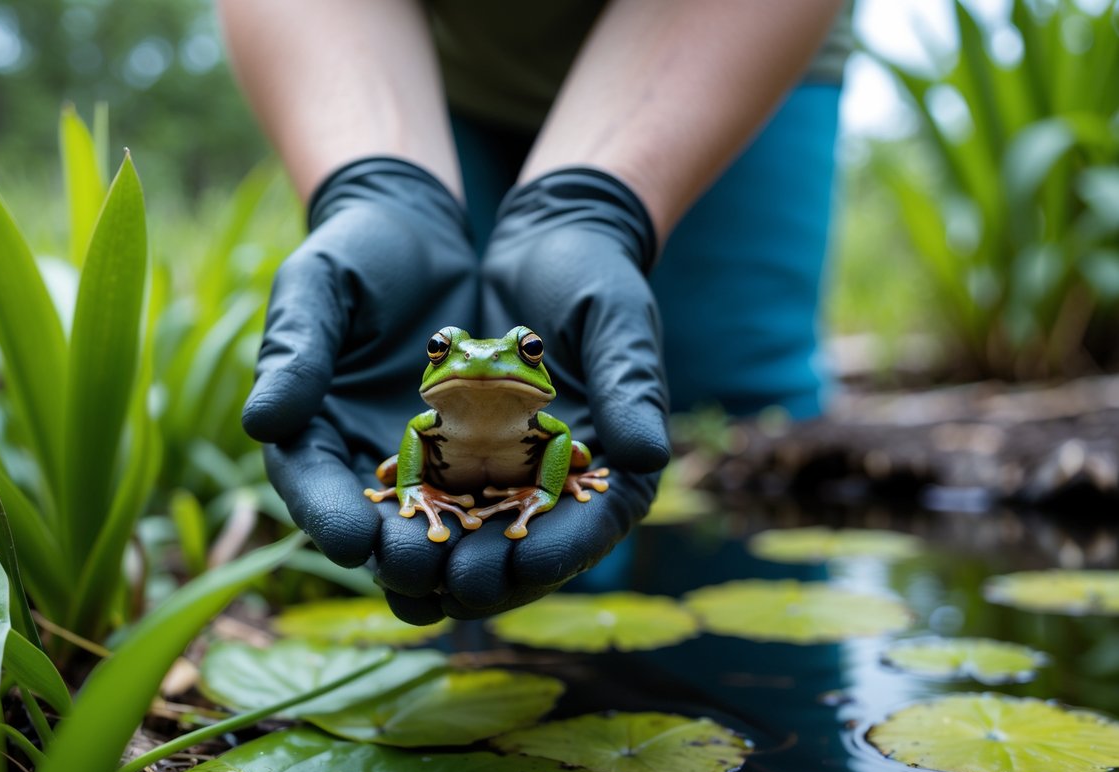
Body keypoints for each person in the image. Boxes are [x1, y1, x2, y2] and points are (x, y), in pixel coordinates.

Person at [217, 0, 851, 623]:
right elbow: (412, 436)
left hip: (731, 47)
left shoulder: (546, 434)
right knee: (450, 574)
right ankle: (479, 682)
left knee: (743, 413)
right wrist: (381, 186)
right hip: (429, 77)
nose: (483, 362)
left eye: (527, 351)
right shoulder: (425, 431)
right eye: (442, 352)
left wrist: (592, 204)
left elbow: (557, 440)